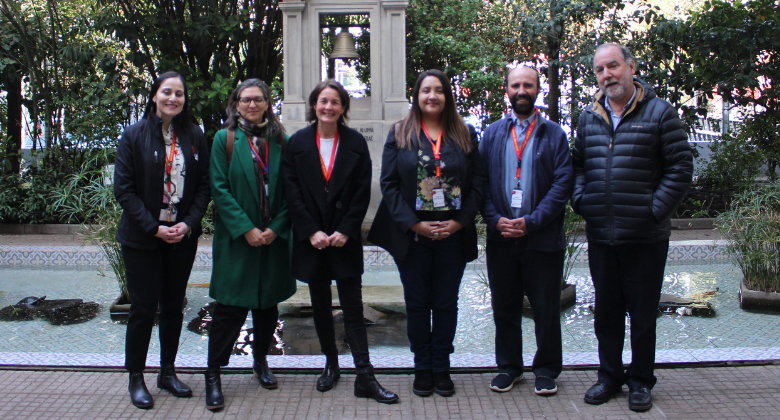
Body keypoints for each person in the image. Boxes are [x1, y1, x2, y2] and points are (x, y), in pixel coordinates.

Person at [572, 43, 693, 412]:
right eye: (599, 70)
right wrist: (582, 202)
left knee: (642, 317)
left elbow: (680, 168)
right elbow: (577, 167)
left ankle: (640, 381)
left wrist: (653, 209)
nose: (607, 75)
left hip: (645, 237)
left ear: (630, 67)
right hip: (602, 237)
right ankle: (609, 377)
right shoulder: (587, 117)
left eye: (613, 66)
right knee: (606, 314)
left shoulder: (659, 113)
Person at [368, 69, 485, 397]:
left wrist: (460, 221)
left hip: (453, 234)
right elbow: (388, 184)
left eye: (438, 90)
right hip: (414, 236)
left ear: (447, 96)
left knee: (446, 303)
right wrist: (413, 223)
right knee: (417, 303)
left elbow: (478, 184)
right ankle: (422, 365)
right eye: (425, 91)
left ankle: (441, 366)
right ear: (416, 96)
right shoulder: (401, 133)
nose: (432, 96)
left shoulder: (464, 133)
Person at [282, 80, 398, 404]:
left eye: (335, 102)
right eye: (323, 101)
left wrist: (347, 229)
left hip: (344, 239)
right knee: (320, 306)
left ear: (343, 107)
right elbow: (291, 192)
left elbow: (362, 192)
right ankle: (330, 365)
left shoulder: (356, 143)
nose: (328, 107)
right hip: (313, 240)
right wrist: (310, 231)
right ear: (314, 105)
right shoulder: (297, 144)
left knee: (352, 306)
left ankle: (365, 374)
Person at [114, 71, 211, 409]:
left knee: (173, 306)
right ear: (154, 95)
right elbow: (123, 190)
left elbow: (203, 187)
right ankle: (136, 378)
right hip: (143, 239)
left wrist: (188, 224)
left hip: (181, 238)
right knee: (142, 309)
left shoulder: (194, 136)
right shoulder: (133, 136)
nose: (173, 98)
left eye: (179, 94)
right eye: (167, 92)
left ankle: (167, 371)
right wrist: (153, 227)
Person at [479, 66, 573, 396]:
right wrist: (494, 219)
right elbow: (481, 185)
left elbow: (562, 185)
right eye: (516, 84)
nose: (522, 90)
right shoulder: (491, 134)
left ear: (537, 90)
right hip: (501, 237)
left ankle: (546, 369)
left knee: (546, 308)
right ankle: (509, 367)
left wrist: (531, 222)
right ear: (507, 89)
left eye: (528, 85)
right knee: (504, 306)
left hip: (542, 239)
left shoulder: (554, 135)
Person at [203, 79, 297, 410]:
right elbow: (219, 188)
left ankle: (261, 362)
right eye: (246, 100)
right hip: (237, 242)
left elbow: (292, 189)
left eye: (258, 99)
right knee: (229, 310)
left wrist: (277, 227)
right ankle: (213, 374)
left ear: (267, 103)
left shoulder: (281, 141)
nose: (252, 105)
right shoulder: (224, 139)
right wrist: (246, 229)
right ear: (236, 104)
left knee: (267, 307)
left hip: (273, 239)